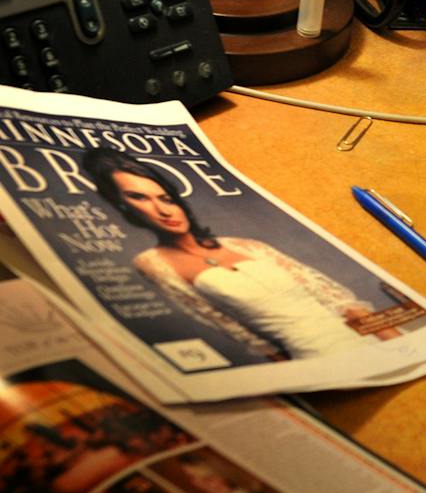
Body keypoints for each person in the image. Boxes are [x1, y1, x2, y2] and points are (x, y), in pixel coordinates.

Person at [84, 148, 393, 362]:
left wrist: (399, 347)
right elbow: (237, 332)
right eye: (139, 197)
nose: (163, 209)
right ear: (123, 205)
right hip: (315, 357)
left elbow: (345, 306)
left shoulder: (248, 246)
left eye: (166, 197)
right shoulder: (152, 263)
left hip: (371, 340)